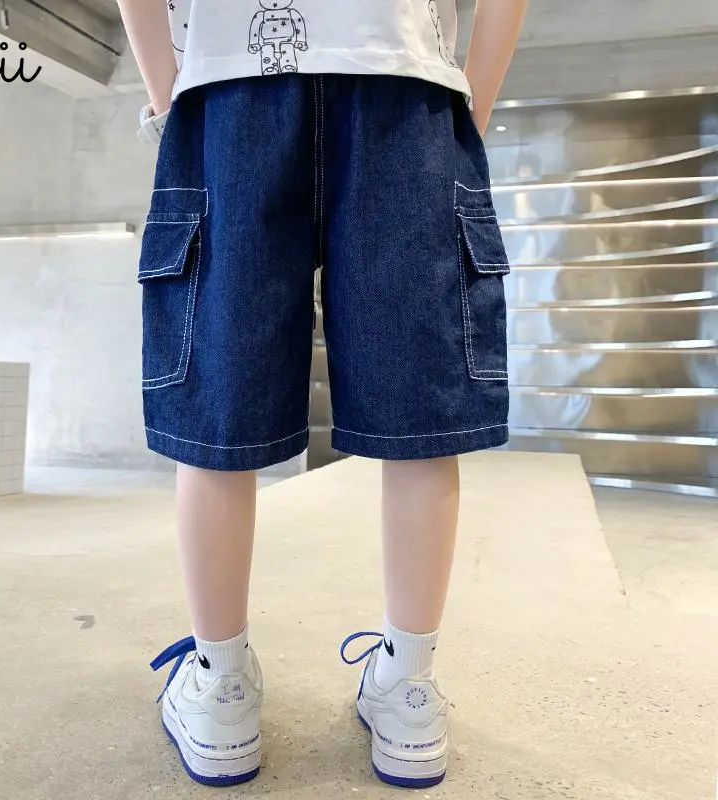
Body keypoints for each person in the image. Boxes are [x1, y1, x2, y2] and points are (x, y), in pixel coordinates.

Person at [117, 0, 527, 789]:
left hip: (228, 88)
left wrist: (169, 96)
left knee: (218, 410)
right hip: (404, 84)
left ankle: (222, 690)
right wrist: (469, 98)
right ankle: (407, 688)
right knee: (419, 418)